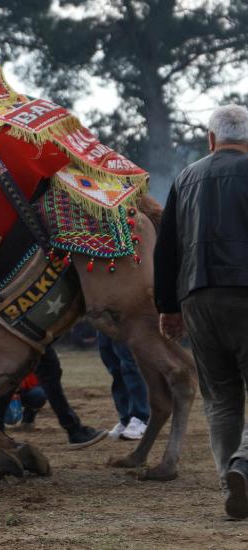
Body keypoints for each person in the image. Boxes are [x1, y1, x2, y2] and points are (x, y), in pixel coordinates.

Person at [154, 103, 248, 520]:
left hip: (197, 298)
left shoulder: (185, 177)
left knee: (221, 398)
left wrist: (168, 308)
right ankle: (243, 466)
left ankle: (232, 484)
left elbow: (166, 249)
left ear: (211, 140)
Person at [0, 346, 107, 449]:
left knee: (42, 372)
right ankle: (74, 429)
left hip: (25, 331)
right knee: (40, 372)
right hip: (24, 330)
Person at [98, 333, 149, 440]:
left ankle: (140, 418)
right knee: (114, 368)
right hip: (102, 320)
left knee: (130, 364)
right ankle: (125, 419)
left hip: (123, 318)